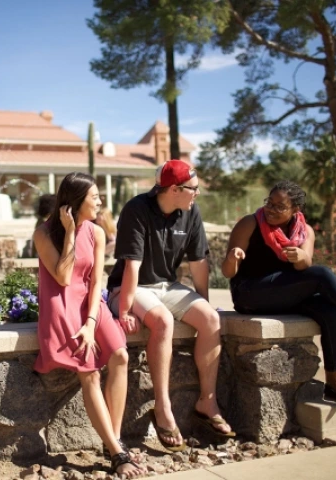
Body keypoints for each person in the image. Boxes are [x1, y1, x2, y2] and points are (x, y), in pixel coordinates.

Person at [107, 159, 234, 452]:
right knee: (162, 321)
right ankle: (163, 408)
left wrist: (203, 303)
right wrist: (124, 309)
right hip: (132, 287)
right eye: (194, 188)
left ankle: (207, 402)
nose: (197, 194)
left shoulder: (190, 213)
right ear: (175, 189)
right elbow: (132, 267)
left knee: (211, 320)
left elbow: (199, 263)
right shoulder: (136, 209)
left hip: (167, 286)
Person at [222, 180, 336, 403]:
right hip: (250, 293)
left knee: (331, 311)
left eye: (280, 206)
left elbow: (303, 266)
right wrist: (233, 258)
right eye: (270, 203)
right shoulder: (249, 223)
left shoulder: (304, 231)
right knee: (322, 274)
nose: (271, 209)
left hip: (283, 294)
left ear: (295, 210)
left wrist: (302, 258)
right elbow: (228, 272)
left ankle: (333, 381)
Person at [33, 172, 145, 478]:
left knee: (121, 356)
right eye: (94, 197)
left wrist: (92, 321)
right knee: (91, 374)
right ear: (75, 202)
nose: (99, 202)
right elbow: (64, 278)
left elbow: (96, 282)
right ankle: (116, 451)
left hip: (90, 305)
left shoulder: (96, 233)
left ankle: (114, 440)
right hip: (62, 306)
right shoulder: (43, 234)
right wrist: (69, 232)